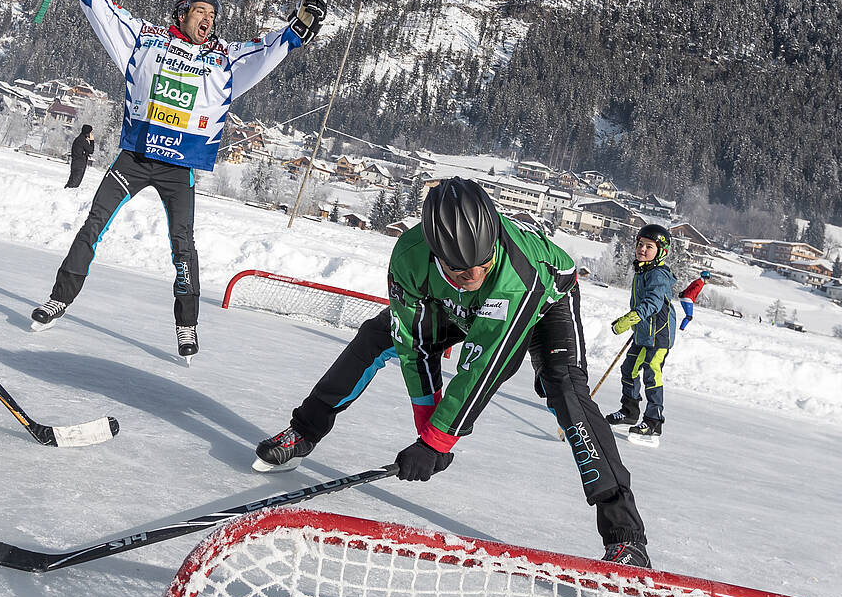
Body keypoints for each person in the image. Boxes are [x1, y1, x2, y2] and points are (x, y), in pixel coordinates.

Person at [254, 178, 651, 567]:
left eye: (483, 262)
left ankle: (626, 537)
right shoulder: (409, 258)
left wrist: (435, 442)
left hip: (544, 302)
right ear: (436, 252)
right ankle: (304, 431)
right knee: (377, 336)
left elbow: (483, 367)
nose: (475, 273)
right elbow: (415, 346)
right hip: (451, 304)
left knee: (565, 389)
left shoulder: (515, 271)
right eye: (462, 269)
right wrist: (428, 429)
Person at [30, 0, 326, 358]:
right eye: (200, 11)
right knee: (92, 227)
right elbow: (108, 15)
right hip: (135, 158)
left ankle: (186, 325)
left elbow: (269, 50)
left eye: (213, 15)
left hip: (179, 169)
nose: (208, 19)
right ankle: (59, 298)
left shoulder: (225, 60)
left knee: (182, 247)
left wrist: (301, 25)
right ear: (181, 14)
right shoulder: (147, 41)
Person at [606, 225, 678, 442]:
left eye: (649, 246)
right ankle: (629, 411)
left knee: (651, 373)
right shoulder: (643, 270)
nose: (642, 250)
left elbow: (653, 302)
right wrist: (637, 323)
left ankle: (654, 421)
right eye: (640, 244)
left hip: (659, 334)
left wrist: (630, 319)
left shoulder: (659, 274)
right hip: (643, 331)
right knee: (628, 369)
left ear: (661, 251)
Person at [65, 124, 95, 188]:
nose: (90, 134)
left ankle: (65, 192)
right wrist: (92, 141)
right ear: (87, 133)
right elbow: (91, 150)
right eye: (90, 132)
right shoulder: (82, 140)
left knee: (72, 181)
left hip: (76, 162)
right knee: (74, 183)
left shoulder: (79, 139)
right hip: (79, 164)